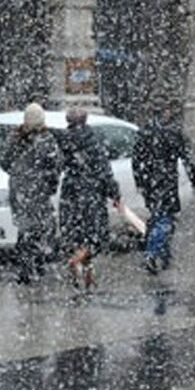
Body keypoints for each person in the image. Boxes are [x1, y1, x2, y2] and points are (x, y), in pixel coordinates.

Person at [133, 104, 195, 274]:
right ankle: (152, 253)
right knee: (164, 218)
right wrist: (194, 178)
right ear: (166, 112)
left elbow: (136, 159)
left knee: (158, 217)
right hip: (166, 180)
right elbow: (186, 158)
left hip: (150, 181)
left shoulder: (145, 133)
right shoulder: (173, 133)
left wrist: (140, 181)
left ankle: (165, 256)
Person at [0, 103, 64, 284]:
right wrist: (49, 184)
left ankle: (26, 268)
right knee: (40, 228)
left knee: (25, 228)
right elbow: (56, 167)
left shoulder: (16, 138)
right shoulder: (47, 140)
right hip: (38, 191)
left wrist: (18, 174)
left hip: (20, 190)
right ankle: (37, 264)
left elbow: (4, 162)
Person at [57, 108, 120, 289]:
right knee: (93, 236)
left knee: (74, 233)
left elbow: (57, 165)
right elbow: (104, 171)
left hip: (70, 193)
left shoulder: (64, 140)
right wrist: (114, 193)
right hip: (91, 194)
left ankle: (84, 270)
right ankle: (79, 262)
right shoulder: (93, 141)